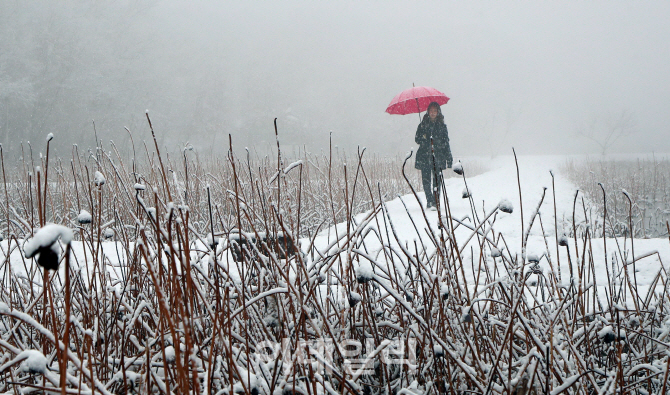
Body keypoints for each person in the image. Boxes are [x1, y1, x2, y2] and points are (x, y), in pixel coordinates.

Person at [414, 101, 452, 210]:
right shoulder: (422, 125)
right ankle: (429, 201)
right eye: (431, 111)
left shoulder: (442, 126)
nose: (433, 113)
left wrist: (449, 158)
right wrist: (424, 137)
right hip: (424, 156)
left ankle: (436, 202)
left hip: (438, 156)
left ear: (438, 112)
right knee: (426, 181)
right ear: (428, 112)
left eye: (435, 111)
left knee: (437, 181)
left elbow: (446, 143)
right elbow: (417, 139)